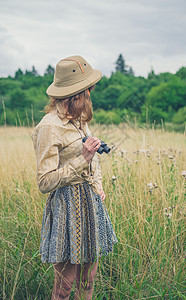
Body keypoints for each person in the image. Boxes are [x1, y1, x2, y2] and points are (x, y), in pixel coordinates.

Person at [31, 55, 118, 299]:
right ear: (75, 94)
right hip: (67, 207)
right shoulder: (49, 127)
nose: (91, 93)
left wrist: (98, 184)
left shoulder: (78, 118)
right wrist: (83, 159)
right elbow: (44, 182)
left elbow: (93, 157)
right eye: (88, 90)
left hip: (90, 203)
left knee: (88, 281)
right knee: (64, 287)